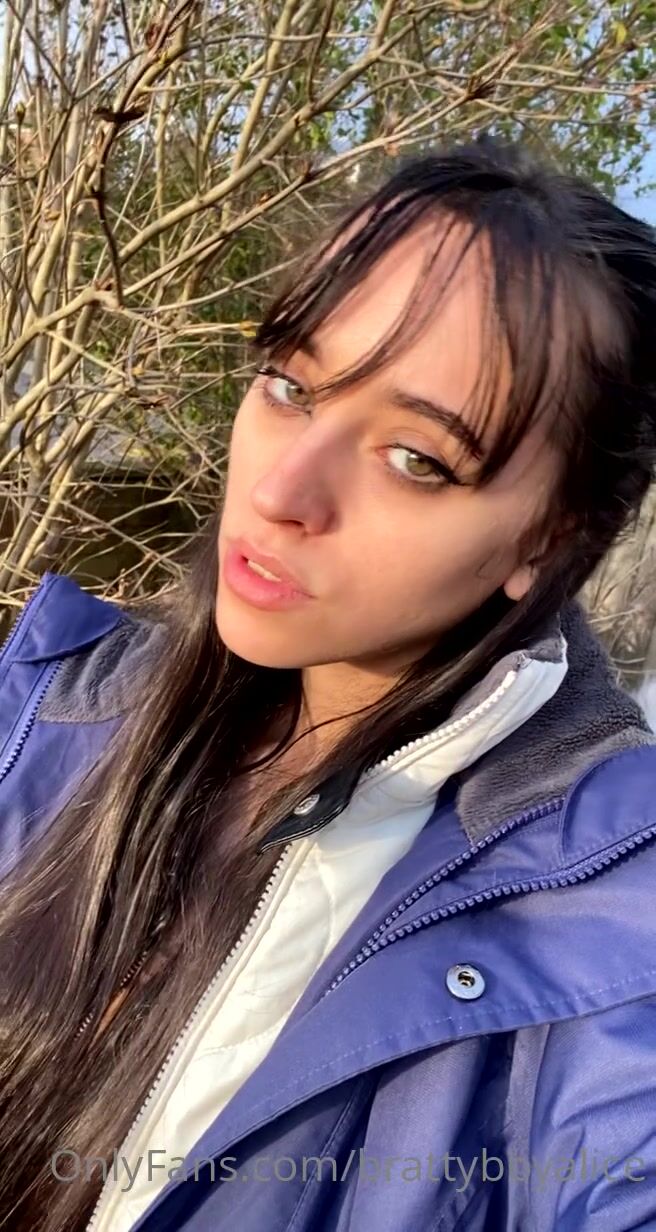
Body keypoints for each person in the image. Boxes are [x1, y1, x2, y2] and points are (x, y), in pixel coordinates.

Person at [0, 136, 655, 1232]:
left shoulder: (610, 919)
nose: (280, 490)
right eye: (290, 385)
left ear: (550, 539)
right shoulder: (48, 710)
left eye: (416, 458)